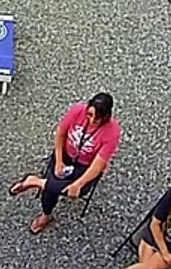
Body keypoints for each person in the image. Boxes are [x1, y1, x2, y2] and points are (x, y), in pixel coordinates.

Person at [8, 93, 122, 234]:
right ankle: (46, 215)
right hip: (66, 155)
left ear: (106, 117)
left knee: (77, 191)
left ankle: (36, 182)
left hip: (85, 165)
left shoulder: (113, 131)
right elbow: (61, 133)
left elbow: (97, 165)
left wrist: (78, 184)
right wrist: (59, 160)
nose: (92, 121)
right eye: (89, 115)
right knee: (51, 190)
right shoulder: (77, 111)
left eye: (97, 119)